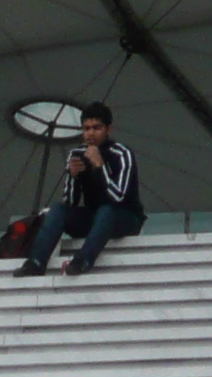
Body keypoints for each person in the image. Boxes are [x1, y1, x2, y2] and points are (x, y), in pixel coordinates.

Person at [13, 105, 143, 276]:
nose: (90, 133)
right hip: (94, 218)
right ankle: (36, 262)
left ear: (108, 129)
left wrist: (99, 166)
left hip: (125, 217)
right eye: (86, 128)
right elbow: (70, 202)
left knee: (106, 211)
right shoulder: (77, 153)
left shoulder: (121, 153)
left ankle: (83, 260)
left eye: (97, 128)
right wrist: (74, 177)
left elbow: (118, 198)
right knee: (58, 209)